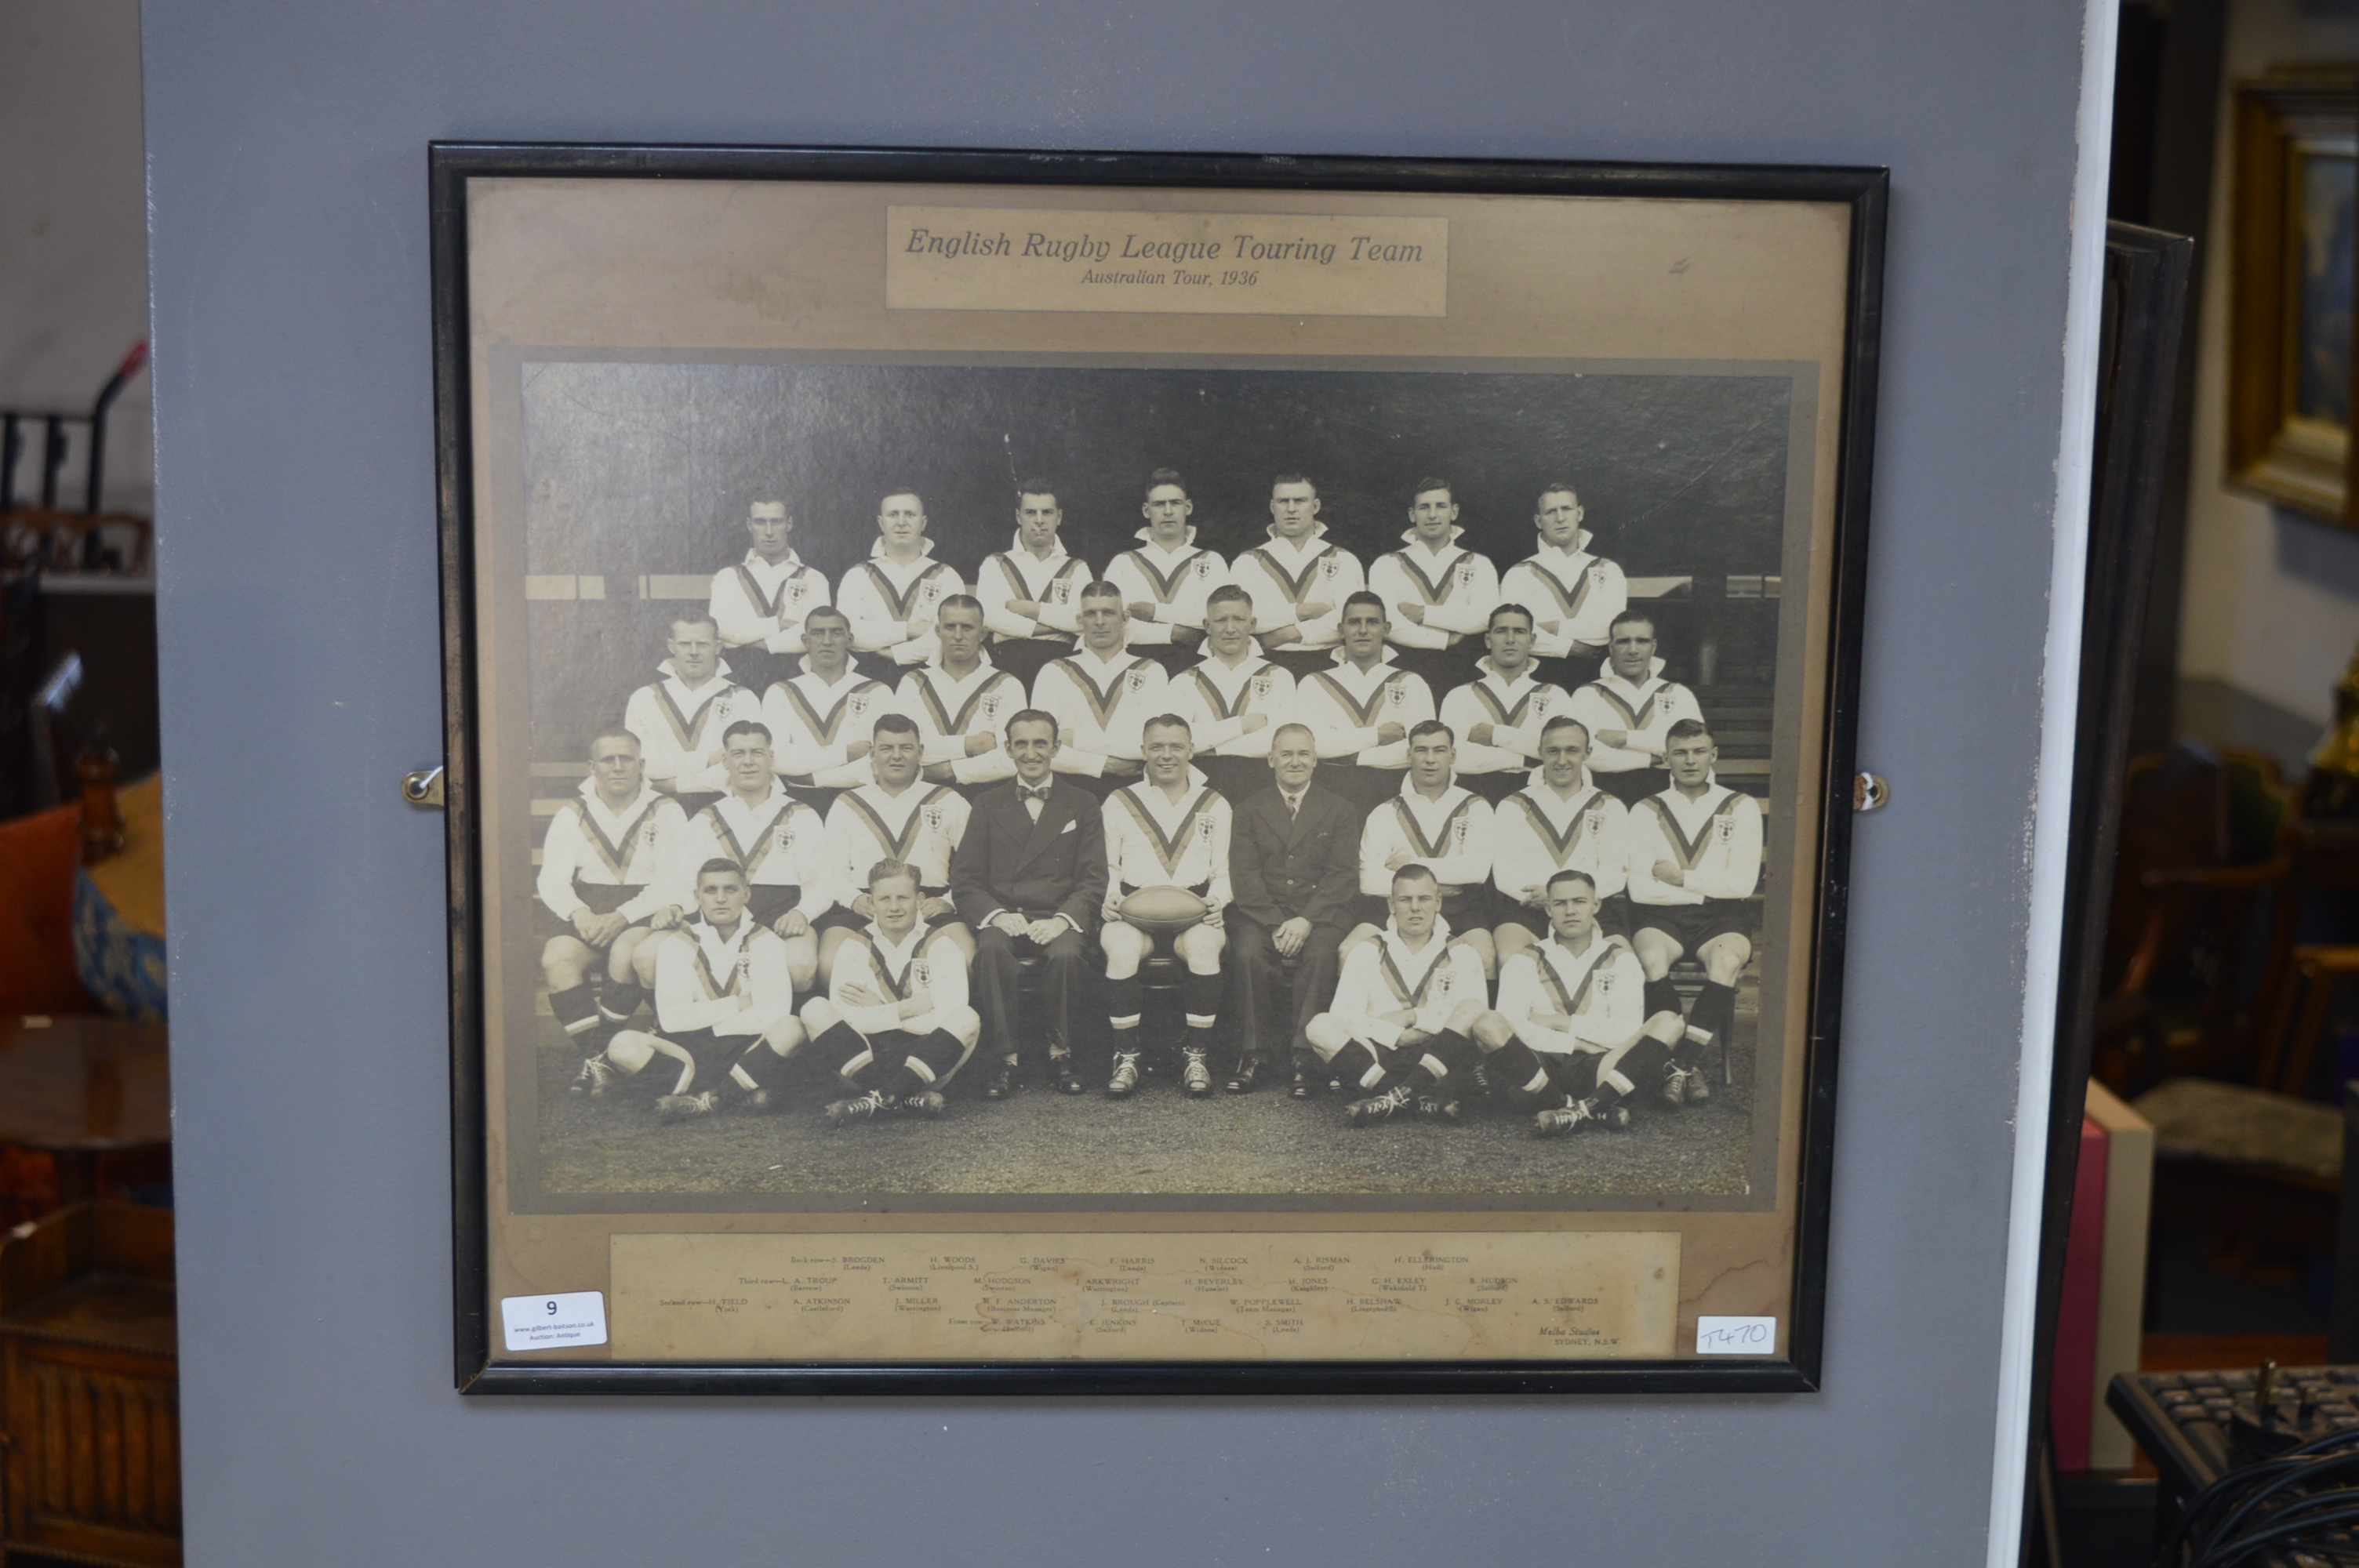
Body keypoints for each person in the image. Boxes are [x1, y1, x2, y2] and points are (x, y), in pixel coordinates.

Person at [949, 710, 1107, 1098]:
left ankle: (1062, 1053)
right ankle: (1005, 1059)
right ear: (1007, 749)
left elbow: (1093, 877)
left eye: (1041, 743)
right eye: (1021, 743)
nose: (1031, 753)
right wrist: (997, 915)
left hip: (1056, 916)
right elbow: (965, 879)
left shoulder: (1083, 803)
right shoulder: (987, 804)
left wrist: (1063, 920)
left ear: (1056, 748)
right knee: (989, 951)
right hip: (1007, 916)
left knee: (1068, 955)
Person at [536, 727, 692, 1093]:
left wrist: (622, 916)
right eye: (608, 760)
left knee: (626, 952)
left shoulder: (665, 810)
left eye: (627, 759)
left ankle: (600, 1060)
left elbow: (676, 879)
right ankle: (599, 1058)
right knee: (557, 959)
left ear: (642, 764)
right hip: (591, 907)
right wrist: (579, 914)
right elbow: (552, 879)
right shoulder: (572, 812)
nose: (618, 767)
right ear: (593, 767)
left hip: (645, 907)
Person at [1303, 863, 1513, 1126]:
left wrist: (1413, 1016)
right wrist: (1396, 1035)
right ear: (1391, 904)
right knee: (1319, 1026)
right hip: (1378, 1056)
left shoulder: (1462, 952)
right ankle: (1417, 1102)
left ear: (1438, 902)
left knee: (1471, 1007)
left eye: (1424, 899)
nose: (1415, 908)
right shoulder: (1368, 950)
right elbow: (1344, 1016)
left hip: (1436, 1057)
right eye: (1405, 899)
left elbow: (1473, 1017)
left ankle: (1388, 1100)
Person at [1484, 869, 1689, 1138]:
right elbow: (1514, 1028)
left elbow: (1624, 1032)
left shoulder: (1621, 959)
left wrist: (1559, 1022)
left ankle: (1582, 1111)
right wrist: (1576, 1043)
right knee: (1487, 1024)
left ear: (1596, 905)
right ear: (1548, 909)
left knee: (1669, 1022)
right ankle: (1587, 1108)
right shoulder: (1524, 958)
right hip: (1541, 1067)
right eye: (1560, 903)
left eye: (1579, 902)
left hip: (1602, 1067)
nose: (1570, 911)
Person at [602, 859, 805, 1122]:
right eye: (711, 891)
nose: (721, 899)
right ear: (697, 897)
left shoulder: (766, 941)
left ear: (747, 894)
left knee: (791, 1027)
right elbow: (673, 1021)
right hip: (690, 1052)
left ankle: (705, 1101)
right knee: (621, 1045)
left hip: (746, 1049)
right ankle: (739, 1092)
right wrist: (739, 1004)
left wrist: (706, 1020)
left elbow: (774, 1013)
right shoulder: (676, 944)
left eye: (730, 890)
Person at [1627, 718, 1764, 1103]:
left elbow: (1741, 886)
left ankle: (1680, 1064)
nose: (1690, 760)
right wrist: (1706, 884)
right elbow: (1640, 890)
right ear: (1666, 759)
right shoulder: (1645, 810)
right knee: (1652, 960)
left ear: (1713, 755)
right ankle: (1683, 1062)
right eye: (1680, 753)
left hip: (1723, 918)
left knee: (1726, 963)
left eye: (1699, 751)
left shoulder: (1741, 806)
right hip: (1660, 917)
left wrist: (1679, 877)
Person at [1098, 715, 1232, 1098]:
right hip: (1133, 909)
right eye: (1157, 747)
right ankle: (1127, 1055)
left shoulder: (1215, 803)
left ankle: (1196, 1054)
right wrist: (1110, 896)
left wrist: (1217, 901)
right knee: (1121, 949)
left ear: (1192, 749)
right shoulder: (1120, 800)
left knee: (1205, 948)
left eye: (1176, 746)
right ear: (1143, 752)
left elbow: (1224, 870)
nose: (1167, 755)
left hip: (1193, 910)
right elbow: (1107, 864)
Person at [1227, 721, 1360, 1098]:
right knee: (1248, 953)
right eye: (1286, 754)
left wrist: (1306, 920)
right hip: (1261, 914)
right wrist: (1276, 923)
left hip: (1320, 914)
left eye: (1303, 754)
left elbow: (1343, 875)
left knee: (1321, 953)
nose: (1295, 761)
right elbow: (1245, 877)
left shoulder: (1340, 809)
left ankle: (1304, 1057)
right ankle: (1255, 1055)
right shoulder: (1249, 810)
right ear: (1271, 759)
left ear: (1316, 760)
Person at [798, 858, 980, 1126]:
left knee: (967, 1017)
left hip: (924, 1058)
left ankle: (874, 1100)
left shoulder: (941, 945)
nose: (894, 907)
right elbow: (848, 1019)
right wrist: (905, 1008)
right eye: (884, 899)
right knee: (814, 1009)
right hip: (865, 1059)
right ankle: (902, 1098)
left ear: (919, 899)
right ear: (871, 902)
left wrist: (877, 1008)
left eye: (903, 898)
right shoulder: (853, 946)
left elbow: (947, 1017)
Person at [667, 720, 834, 993]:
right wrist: (677, 906)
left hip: (782, 915)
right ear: (725, 760)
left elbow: (822, 883)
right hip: (721, 918)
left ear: (770, 758)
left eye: (756, 752)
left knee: (799, 963)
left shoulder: (801, 813)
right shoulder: (706, 818)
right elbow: (686, 881)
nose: (748, 762)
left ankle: (789, 1028)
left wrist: (801, 913)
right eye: (738, 753)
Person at [818, 713, 975, 981]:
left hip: (929, 904)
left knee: (966, 959)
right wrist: (854, 900)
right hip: (866, 905)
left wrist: (948, 902)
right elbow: (833, 870)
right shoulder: (848, 802)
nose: (896, 756)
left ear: (920, 752)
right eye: (887, 748)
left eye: (906, 747)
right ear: (872, 753)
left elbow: (975, 865)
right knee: (830, 964)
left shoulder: (949, 800)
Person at [1347, 720, 1499, 978]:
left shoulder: (1475, 806)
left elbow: (1477, 871)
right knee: (1349, 951)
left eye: (1439, 750)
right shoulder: (1385, 811)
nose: (1430, 759)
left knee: (1484, 956)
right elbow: (1369, 880)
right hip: (1394, 909)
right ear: (1409, 755)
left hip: (1458, 908)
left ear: (1452, 755)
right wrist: (1439, 885)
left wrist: (1409, 866)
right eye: (1421, 750)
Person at [1490, 716, 1632, 970]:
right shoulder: (1514, 804)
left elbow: (1614, 875)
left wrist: (1565, 898)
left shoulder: (1610, 805)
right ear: (1540, 752)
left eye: (1572, 751)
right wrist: (1549, 900)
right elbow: (1506, 875)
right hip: (1528, 909)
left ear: (1587, 753)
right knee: (1512, 958)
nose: (1562, 760)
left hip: (1590, 910)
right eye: (1553, 751)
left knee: (1623, 963)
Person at [1288, 590, 1433, 813]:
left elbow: (1421, 750)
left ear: (1386, 629)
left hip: (1396, 792)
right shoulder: (1313, 682)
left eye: (1372, 622)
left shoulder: (1412, 682)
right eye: (1354, 622)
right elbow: (1311, 747)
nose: (1363, 630)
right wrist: (1377, 736)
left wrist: (1350, 755)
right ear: (1341, 630)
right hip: (1329, 792)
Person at [1028, 581, 1167, 790]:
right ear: (1080, 620)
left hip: (1135, 785)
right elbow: (1039, 747)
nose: (1099, 621)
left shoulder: (1151, 670)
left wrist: (1073, 740)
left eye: (1108, 613)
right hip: (1069, 787)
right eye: (1091, 614)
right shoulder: (1054, 671)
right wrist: (1103, 765)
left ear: (1124, 619)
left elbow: (1153, 744)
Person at [1169, 583, 1299, 804]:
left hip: (1263, 785)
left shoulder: (1280, 676)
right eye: (1221, 620)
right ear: (1207, 626)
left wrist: (1208, 746)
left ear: (1252, 623)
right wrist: (1242, 725)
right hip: (1200, 787)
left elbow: (1281, 742)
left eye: (1238, 619)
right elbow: (1175, 741)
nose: (1230, 628)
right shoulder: (1185, 680)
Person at [1369, 477, 1499, 696]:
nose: (1432, 515)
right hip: (1403, 664)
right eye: (1424, 507)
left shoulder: (1478, 563)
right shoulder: (1388, 563)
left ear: (1454, 511)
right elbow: (1387, 622)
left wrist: (1423, 613)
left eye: (1441, 506)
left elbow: (1487, 617)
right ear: (1412, 514)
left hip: (1464, 666)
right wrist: (1445, 638)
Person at [1229, 473, 1366, 677]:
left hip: (1329, 662)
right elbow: (1241, 618)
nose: (1291, 509)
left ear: (1316, 506)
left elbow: (1351, 619)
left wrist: (1287, 633)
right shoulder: (1248, 561)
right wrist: (1301, 612)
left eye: (1300, 501)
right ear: (1272, 507)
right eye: (1283, 501)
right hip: (1263, 664)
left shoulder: (1344, 559)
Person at [758, 604, 899, 800]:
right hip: (797, 798)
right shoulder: (781, 691)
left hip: (863, 799)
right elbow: (775, 758)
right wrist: (846, 753)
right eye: (818, 633)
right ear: (805, 641)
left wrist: (814, 779)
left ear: (849, 640)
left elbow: (880, 762)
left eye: (836, 633)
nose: (827, 641)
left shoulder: (878, 691)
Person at [620, 612, 762, 805]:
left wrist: (674, 784)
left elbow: (745, 767)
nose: (694, 652)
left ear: (718, 647)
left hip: (724, 804)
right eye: (685, 644)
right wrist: (708, 759)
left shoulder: (742, 697)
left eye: (702, 644)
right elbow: (640, 765)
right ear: (672, 646)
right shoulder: (645, 697)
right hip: (657, 805)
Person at [1565, 608, 1703, 805]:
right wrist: (1658, 758)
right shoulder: (1588, 694)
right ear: (1611, 648)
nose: (1633, 650)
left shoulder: (1678, 694)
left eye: (1642, 641)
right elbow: (1586, 756)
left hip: (1669, 798)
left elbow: (1694, 748)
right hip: (1605, 798)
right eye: (1623, 641)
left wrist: (1624, 738)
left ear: (1653, 647)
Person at [1500, 482, 1628, 692]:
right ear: (1538, 521)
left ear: (1579, 513)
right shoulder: (1519, 573)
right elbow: (1514, 636)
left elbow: (1612, 629)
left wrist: (1555, 627)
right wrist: (1571, 647)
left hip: (1599, 675)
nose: (1560, 518)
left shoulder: (1608, 569)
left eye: (1566, 509)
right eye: (1551, 512)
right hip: (1539, 676)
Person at [1438, 604, 1579, 793]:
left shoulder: (1554, 695)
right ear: (1488, 640)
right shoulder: (1461, 695)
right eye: (1501, 631)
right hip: (1475, 794)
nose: (1510, 639)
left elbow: (1565, 750)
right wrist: (1526, 758)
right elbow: (1453, 758)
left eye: (1519, 632)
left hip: (1539, 796)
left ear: (1532, 640)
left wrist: (1496, 735)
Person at [1103, 467, 1227, 676]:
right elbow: (1117, 625)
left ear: (1188, 507)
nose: (1168, 511)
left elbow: (1219, 617)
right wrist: (1177, 632)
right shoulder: (1123, 563)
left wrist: (1154, 612)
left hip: (1198, 664)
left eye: (1175, 503)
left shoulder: (1212, 561)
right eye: (1159, 504)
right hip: (1136, 667)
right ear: (1146, 510)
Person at [895, 594, 1026, 789]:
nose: (958, 636)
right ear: (938, 631)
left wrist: (944, 771)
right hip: (921, 794)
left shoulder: (1007, 684)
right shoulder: (913, 682)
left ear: (982, 633)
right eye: (950, 627)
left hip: (984, 793)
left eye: (967, 627)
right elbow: (902, 748)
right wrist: (969, 745)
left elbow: (1011, 757)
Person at [975, 481, 1091, 688]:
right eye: (1031, 512)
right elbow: (990, 616)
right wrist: (1054, 627)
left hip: (1063, 663)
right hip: (1009, 661)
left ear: (1059, 517)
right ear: (1019, 516)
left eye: (1047, 512)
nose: (1039, 521)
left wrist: (1029, 609)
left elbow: (1082, 620)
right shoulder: (995, 563)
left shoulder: (1077, 567)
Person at [708, 498, 831, 694]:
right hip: (739, 677)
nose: (769, 531)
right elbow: (721, 630)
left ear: (789, 524)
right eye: (760, 522)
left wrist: (753, 641)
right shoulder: (728, 576)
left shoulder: (813, 578)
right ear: (749, 525)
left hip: (797, 677)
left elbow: (816, 635)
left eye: (776, 521)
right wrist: (779, 624)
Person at [836, 487, 965, 672]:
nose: (901, 522)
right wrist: (910, 630)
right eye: (893, 515)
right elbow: (847, 633)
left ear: (924, 522)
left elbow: (951, 635)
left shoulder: (946, 575)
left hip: (931, 675)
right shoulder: (858, 575)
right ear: (881, 523)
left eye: (910, 514)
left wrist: (894, 654)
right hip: (868, 674)